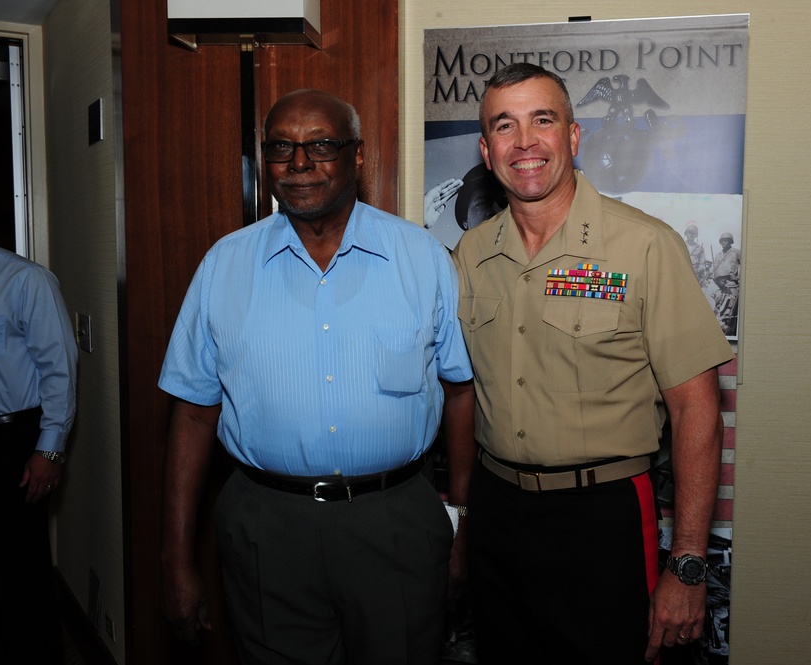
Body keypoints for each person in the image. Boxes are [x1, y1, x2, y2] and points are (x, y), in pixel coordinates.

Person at [158, 89, 474, 665]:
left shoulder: (422, 259)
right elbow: (193, 412)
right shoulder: (223, 265)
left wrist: (459, 521)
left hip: (396, 521)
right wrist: (176, 558)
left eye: (321, 145)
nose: (299, 164)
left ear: (357, 157)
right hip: (266, 526)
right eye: (281, 147)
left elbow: (459, 392)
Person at [452, 64, 735, 664]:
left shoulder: (644, 246)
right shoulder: (470, 256)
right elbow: (459, 391)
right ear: (486, 150)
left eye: (542, 121)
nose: (524, 142)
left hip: (601, 515)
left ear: (573, 138)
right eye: (506, 125)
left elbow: (696, 408)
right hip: (497, 512)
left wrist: (686, 564)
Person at [0, 169, 78, 664]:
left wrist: (50, 449)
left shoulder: (24, 279)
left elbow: (59, 369)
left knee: (19, 575)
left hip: (9, 445)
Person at [710, 232, 741, 336]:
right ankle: (722, 327)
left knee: (732, 309)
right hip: (720, 285)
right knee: (719, 306)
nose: (724, 242)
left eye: (726, 240)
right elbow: (715, 271)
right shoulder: (718, 255)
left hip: (732, 285)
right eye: (722, 240)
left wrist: (738, 277)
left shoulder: (736, 252)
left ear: (730, 241)